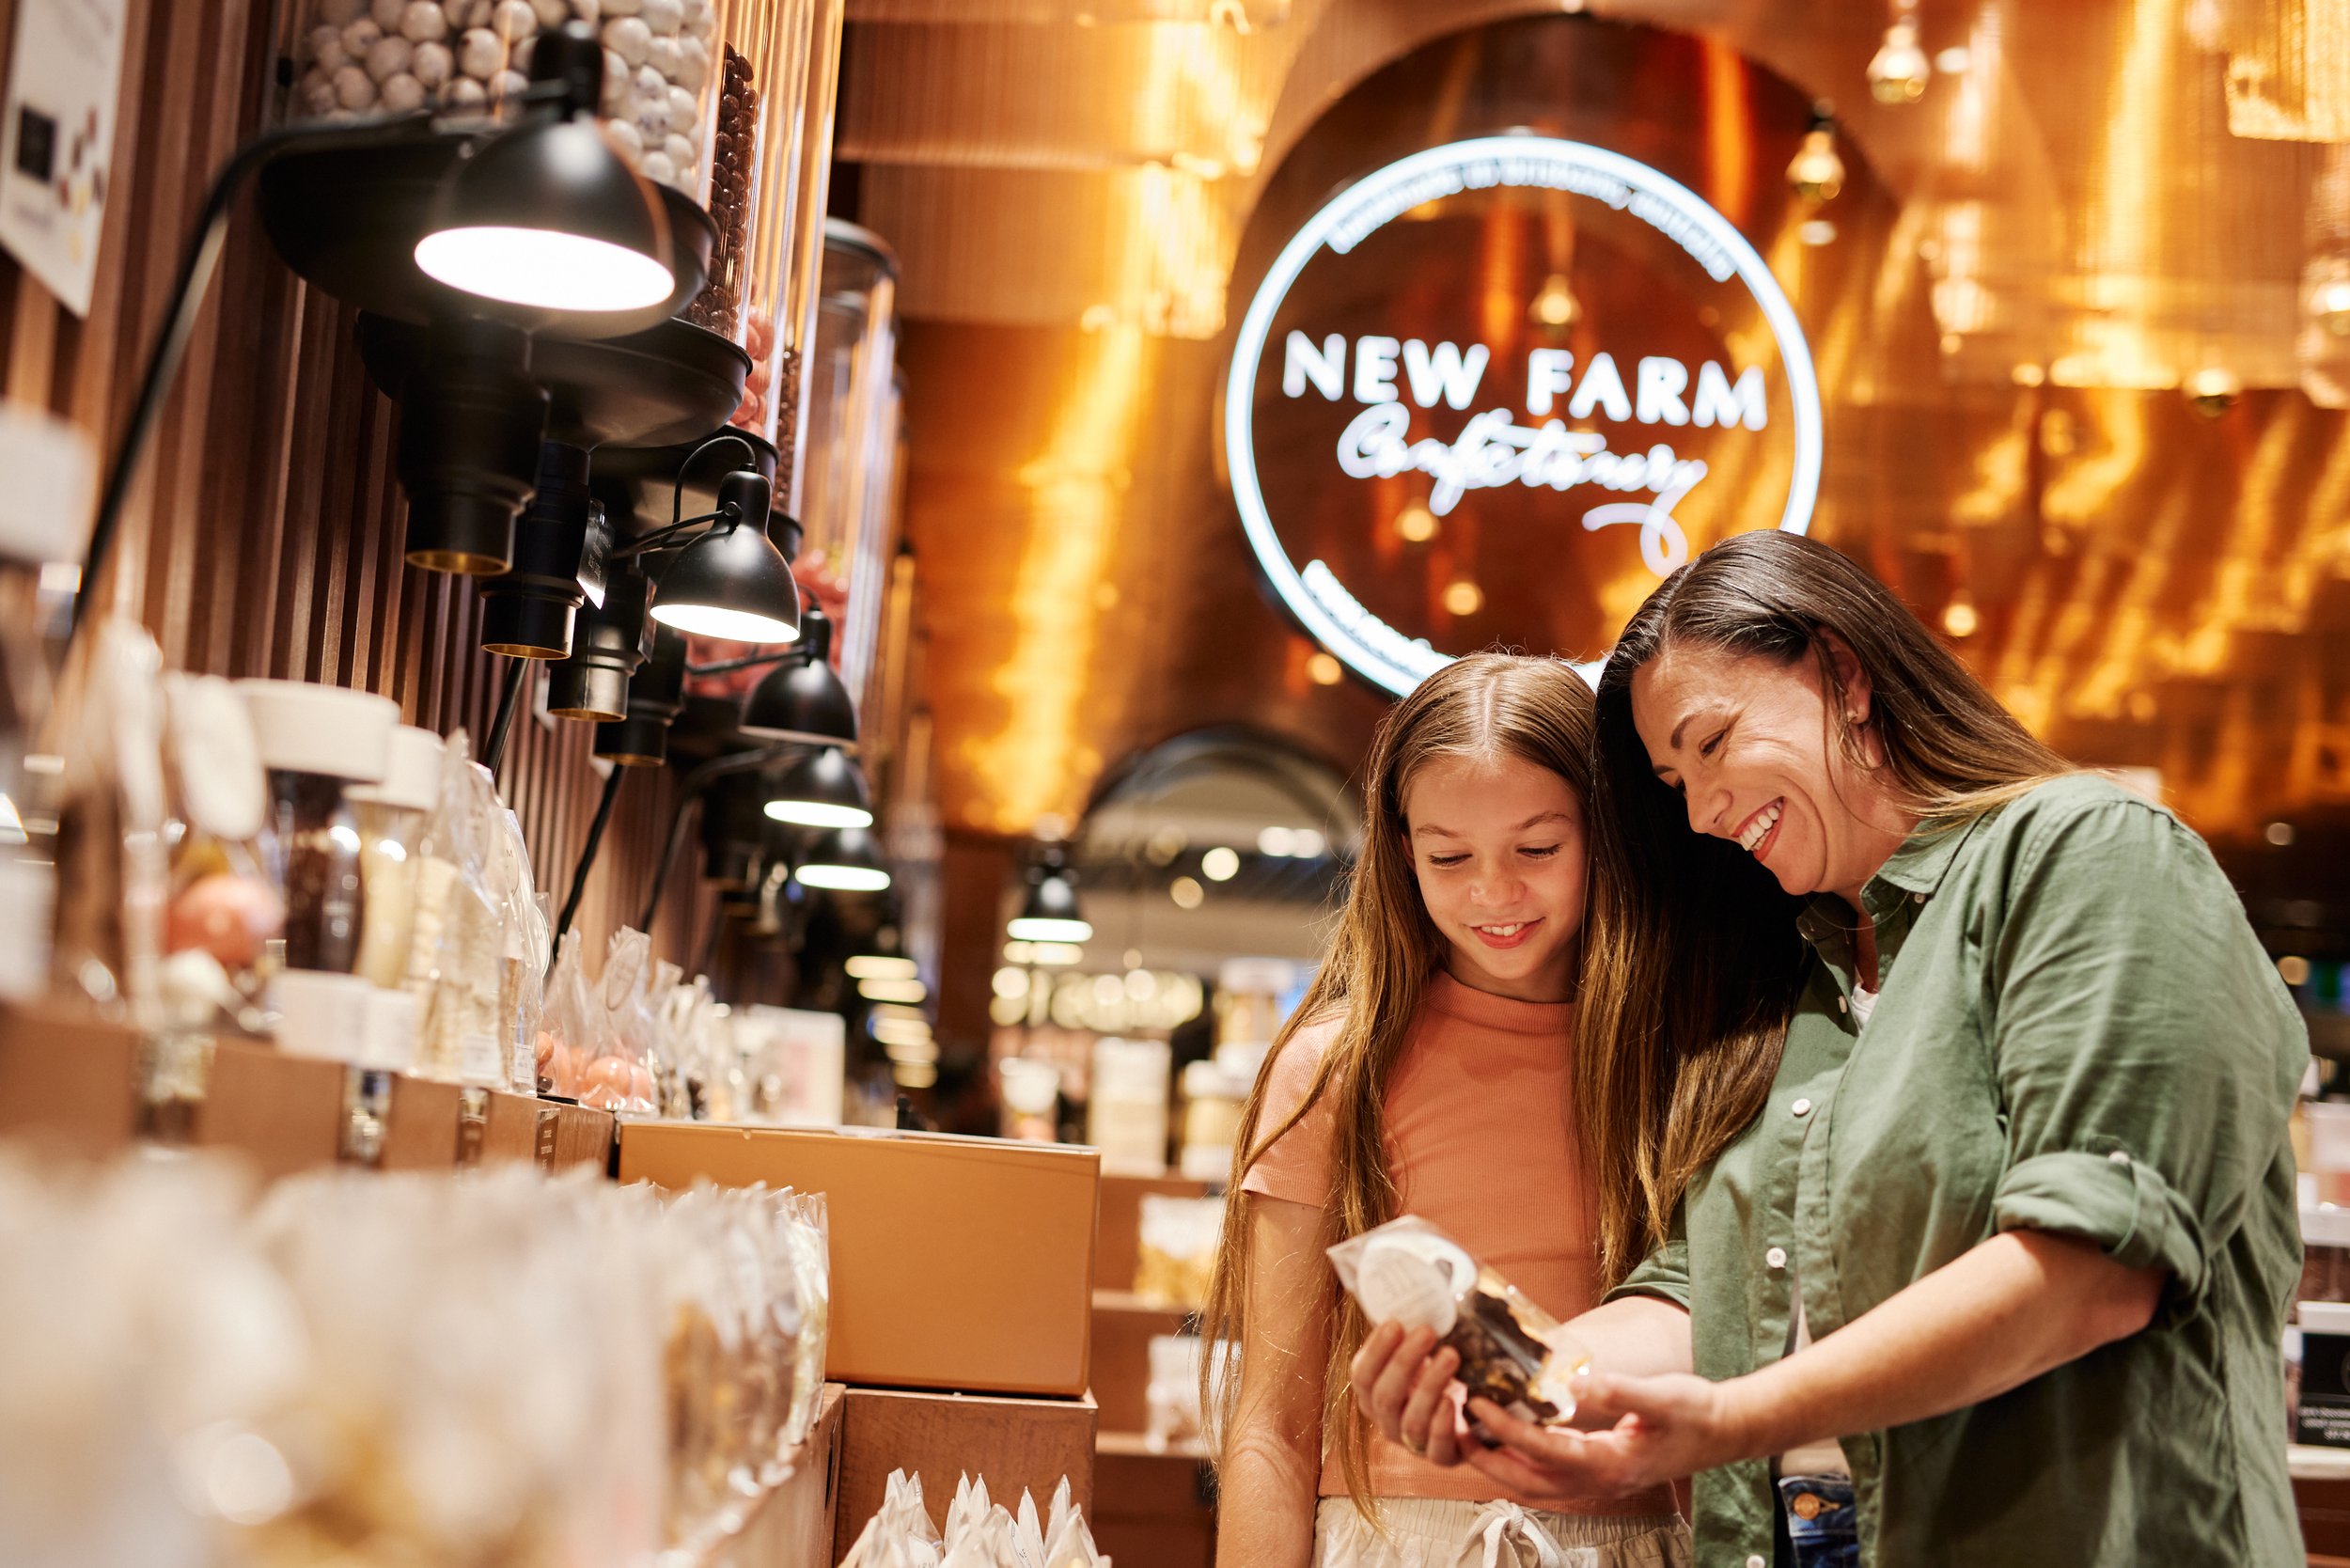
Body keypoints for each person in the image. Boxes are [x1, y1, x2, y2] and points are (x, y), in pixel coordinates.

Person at [1352, 531, 2308, 1566]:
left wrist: (1735, 1419)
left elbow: (2092, 1264)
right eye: (1674, 785)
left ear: (1843, 675)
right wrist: (1523, 1381)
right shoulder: (1796, 986)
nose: (1705, 812)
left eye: (1711, 742)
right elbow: (1704, 1295)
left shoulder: (2082, 854)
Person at [1201, 653, 1694, 1568]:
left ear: (1607, 833)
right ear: (1400, 853)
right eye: (1449, 857)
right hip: (1395, 1539)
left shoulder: (1684, 1061)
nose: (1493, 893)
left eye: (1537, 849)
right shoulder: (1334, 1068)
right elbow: (1271, 1423)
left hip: (1637, 1536)